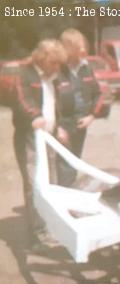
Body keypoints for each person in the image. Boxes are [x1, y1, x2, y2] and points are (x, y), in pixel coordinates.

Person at [12, 39, 67, 244]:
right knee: (36, 184)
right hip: (30, 139)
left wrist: (58, 124)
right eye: (54, 63)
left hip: (49, 138)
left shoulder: (53, 77)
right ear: (43, 59)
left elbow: (55, 103)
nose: (57, 67)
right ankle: (37, 232)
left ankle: (49, 226)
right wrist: (34, 115)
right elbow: (22, 99)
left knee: (51, 182)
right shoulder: (25, 74)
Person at [56, 28, 108, 186]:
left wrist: (91, 117)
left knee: (73, 163)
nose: (83, 50)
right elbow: (49, 100)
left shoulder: (86, 68)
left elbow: (98, 94)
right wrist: (58, 127)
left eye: (83, 46)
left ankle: (68, 196)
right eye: (79, 47)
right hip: (61, 125)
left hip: (80, 123)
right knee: (62, 165)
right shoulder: (57, 69)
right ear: (68, 48)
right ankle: (61, 198)